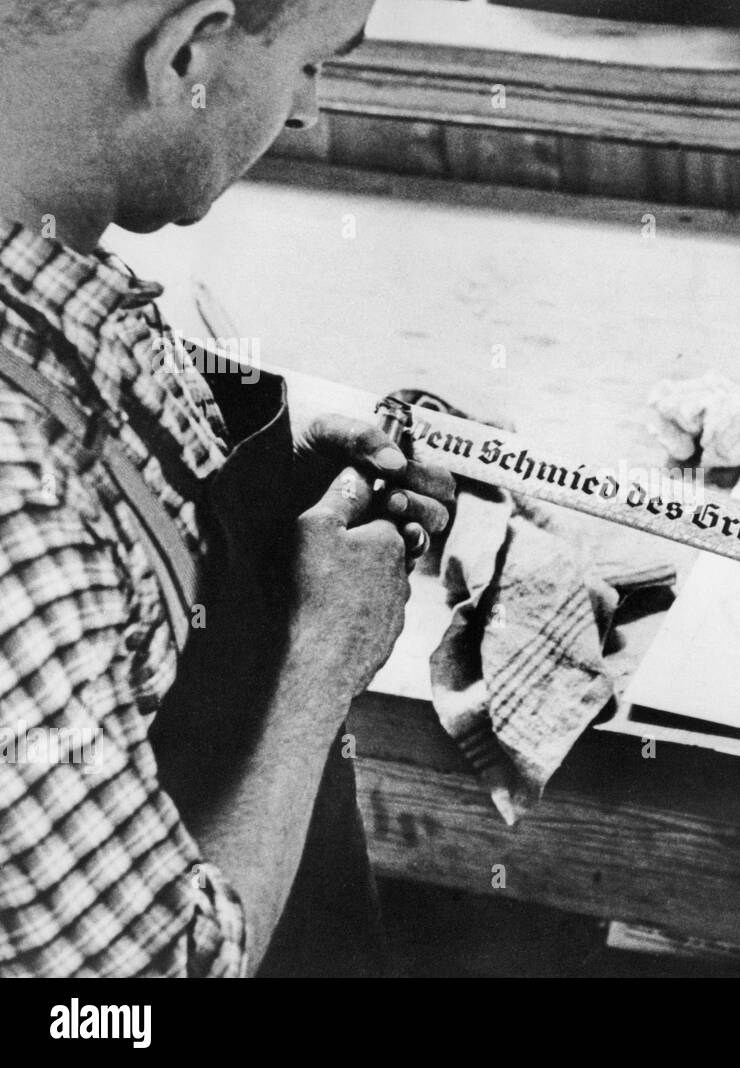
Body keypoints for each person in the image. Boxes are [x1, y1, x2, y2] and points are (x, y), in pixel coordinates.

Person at [0, 0, 455, 976]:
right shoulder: (25, 514)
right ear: (184, 56)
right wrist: (324, 660)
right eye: (309, 65)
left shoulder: (33, 231)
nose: (305, 113)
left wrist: (271, 454)